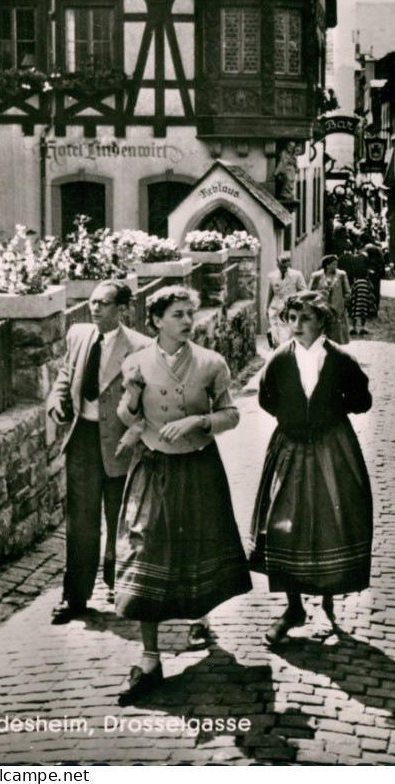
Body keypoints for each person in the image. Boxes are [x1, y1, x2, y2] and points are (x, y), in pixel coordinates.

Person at [113, 286, 251, 705]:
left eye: (190, 313)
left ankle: (201, 619)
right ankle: (150, 658)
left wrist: (196, 421)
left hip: (198, 469)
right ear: (155, 320)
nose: (188, 321)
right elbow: (126, 415)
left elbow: (232, 414)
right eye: (177, 314)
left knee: (196, 550)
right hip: (153, 469)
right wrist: (134, 394)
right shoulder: (135, 362)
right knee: (146, 553)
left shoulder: (211, 362)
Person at [248, 291, 373, 644]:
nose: (297, 325)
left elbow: (362, 400)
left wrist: (329, 412)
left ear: (321, 321)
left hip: (333, 448)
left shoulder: (341, 360)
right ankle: (293, 607)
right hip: (289, 447)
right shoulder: (278, 360)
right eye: (291, 318)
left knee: (330, 521)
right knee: (283, 523)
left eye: (305, 318)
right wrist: (293, 422)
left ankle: (326, 606)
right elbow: (266, 398)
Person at [47, 281, 152, 624]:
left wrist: (134, 435)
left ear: (123, 310)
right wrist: (56, 399)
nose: (95, 308)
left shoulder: (140, 347)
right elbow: (67, 371)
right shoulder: (78, 335)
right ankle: (74, 597)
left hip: (120, 445)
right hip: (83, 439)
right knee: (80, 522)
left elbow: (148, 404)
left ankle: (119, 586)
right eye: (92, 302)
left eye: (104, 303)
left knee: (120, 518)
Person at [266, 252, 306, 347]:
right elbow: (269, 294)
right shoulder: (272, 276)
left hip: (290, 308)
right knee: (275, 333)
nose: (283, 268)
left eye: (285, 266)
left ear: (288, 264)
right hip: (275, 308)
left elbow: (303, 291)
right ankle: (277, 351)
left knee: (287, 335)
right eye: (281, 266)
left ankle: (287, 352)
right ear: (277, 265)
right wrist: (267, 308)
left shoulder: (296, 275)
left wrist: (298, 302)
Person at [309, 254, 351, 344]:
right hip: (321, 308)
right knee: (321, 333)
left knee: (336, 334)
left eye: (336, 264)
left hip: (337, 308)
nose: (336, 266)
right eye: (333, 264)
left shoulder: (341, 275)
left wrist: (344, 304)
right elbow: (310, 292)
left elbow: (347, 291)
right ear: (327, 265)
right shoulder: (316, 276)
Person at [347, 246, 376, 335]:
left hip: (356, 282)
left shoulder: (356, 258)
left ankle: (353, 327)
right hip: (364, 283)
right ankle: (362, 327)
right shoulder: (367, 259)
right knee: (364, 304)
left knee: (354, 304)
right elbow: (369, 272)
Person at [364, 241, 385, 318]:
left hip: (370, 278)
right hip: (376, 278)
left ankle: (368, 310)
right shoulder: (379, 257)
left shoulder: (368, 257)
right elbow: (382, 268)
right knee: (376, 294)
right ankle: (374, 310)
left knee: (368, 293)